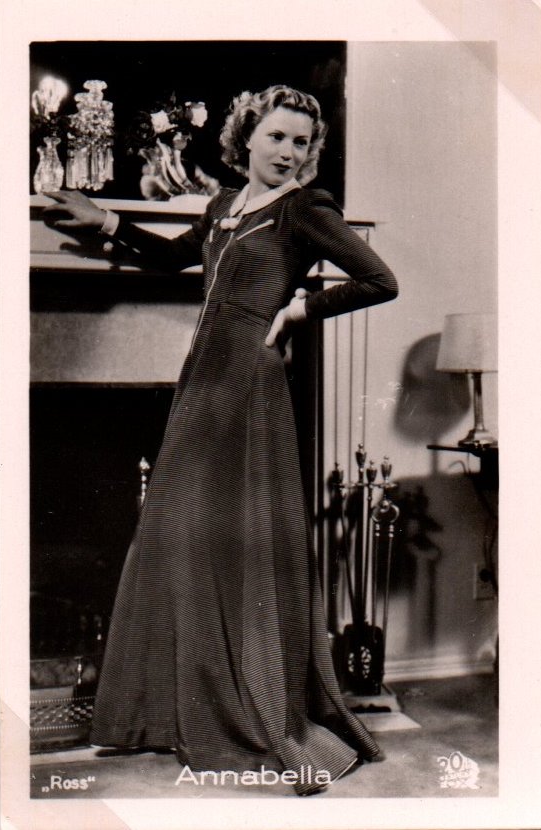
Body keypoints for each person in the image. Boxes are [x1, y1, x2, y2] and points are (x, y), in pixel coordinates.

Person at [43, 84, 398, 796]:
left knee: (238, 539)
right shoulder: (222, 206)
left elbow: (378, 280)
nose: (288, 152)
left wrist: (298, 310)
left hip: (249, 379)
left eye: (300, 142)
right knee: (174, 531)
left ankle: (253, 699)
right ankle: (165, 707)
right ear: (247, 137)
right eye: (277, 137)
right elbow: (170, 259)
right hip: (202, 375)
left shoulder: (305, 208)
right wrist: (105, 220)